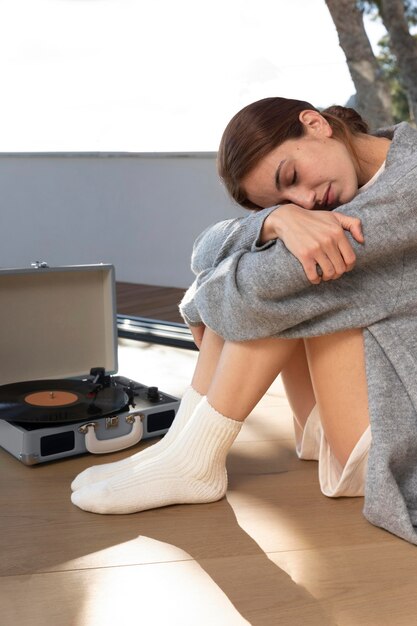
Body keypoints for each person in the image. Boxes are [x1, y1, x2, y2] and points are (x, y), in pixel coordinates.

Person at [71, 98, 417, 545]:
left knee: (290, 281)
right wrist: (275, 221)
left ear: (314, 124)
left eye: (291, 179)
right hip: (350, 414)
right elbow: (204, 248)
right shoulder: (357, 170)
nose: (307, 200)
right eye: (284, 200)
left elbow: (254, 290)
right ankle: (184, 448)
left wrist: (199, 297)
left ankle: (192, 459)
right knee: (270, 268)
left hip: (400, 437)